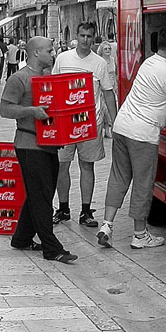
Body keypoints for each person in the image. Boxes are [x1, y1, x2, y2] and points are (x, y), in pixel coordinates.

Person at [96, 26, 166, 250]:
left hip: (122, 125)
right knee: (142, 183)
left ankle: (106, 225)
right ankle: (140, 235)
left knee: (118, 177)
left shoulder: (147, 64)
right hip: (143, 133)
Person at [0, 36, 77, 263]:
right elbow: (5, 109)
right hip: (29, 145)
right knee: (41, 197)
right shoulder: (19, 78)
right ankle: (51, 248)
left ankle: (21, 238)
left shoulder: (47, 78)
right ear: (36, 53)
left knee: (40, 193)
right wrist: (32, 111)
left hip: (49, 145)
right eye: (49, 50)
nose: (53, 54)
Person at [51, 21, 118, 227]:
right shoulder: (62, 59)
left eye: (89, 36)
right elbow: (52, 87)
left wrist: (115, 123)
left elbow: (108, 94)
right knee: (62, 165)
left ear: (93, 37)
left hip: (90, 123)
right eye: (82, 36)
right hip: (64, 122)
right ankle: (63, 208)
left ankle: (86, 211)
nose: (85, 40)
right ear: (77, 37)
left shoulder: (99, 63)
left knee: (86, 166)